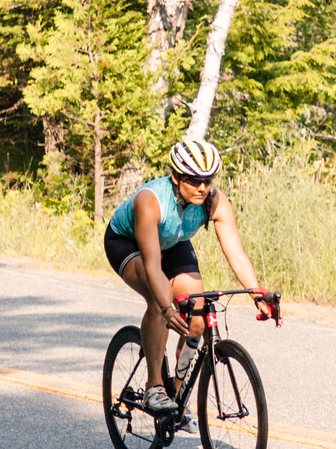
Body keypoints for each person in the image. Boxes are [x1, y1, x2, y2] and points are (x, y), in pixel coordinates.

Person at [103, 138, 271, 414]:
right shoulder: (151, 200)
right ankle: (154, 387)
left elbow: (237, 254)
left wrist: (257, 294)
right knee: (160, 301)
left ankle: (178, 396)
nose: (203, 187)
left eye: (208, 179)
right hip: (128, 242)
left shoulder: (213, 201)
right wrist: (168, 308)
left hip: (172, 241)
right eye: (194, 180)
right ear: (176, 177)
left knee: (197, 313)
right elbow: (153, 266)